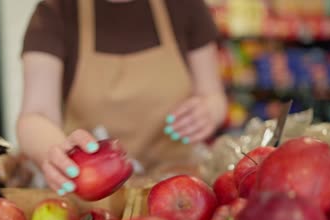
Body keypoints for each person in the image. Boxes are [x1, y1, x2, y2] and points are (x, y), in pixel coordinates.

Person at [17, 0, 228, 195]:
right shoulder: (56, 11)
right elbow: (37, 114)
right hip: (96, 195)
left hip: (180, 189)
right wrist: (56, 152)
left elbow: (213, 95)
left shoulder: (185, 5)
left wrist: (208, 110)